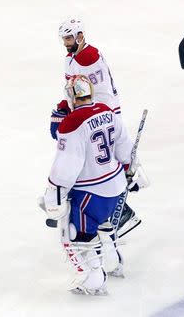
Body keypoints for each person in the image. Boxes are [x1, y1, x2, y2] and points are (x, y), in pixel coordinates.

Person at [42, 75, 148, 295]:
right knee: (104, 226)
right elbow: (124, 147)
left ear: (71, 95)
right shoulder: (106, 110)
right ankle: (112, 262)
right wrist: (131, 167)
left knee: (76, 233)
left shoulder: (72, 122)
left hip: (92, 193)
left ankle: (93, 279)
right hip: (117, 187)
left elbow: (67, 165)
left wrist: (54, 191)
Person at [51, 18, 141, 237]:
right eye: (64, 38)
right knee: (94, 164)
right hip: (91, 110)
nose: (66, 42)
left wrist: (83, 113)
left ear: (80, 36)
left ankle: (120, 214)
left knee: (99, 165)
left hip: (102, 114)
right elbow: (78, 89)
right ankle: (106, 212)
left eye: (69, 38)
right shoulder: (75, 56)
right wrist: (66, 105)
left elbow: (97, 93)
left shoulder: (88, 58)